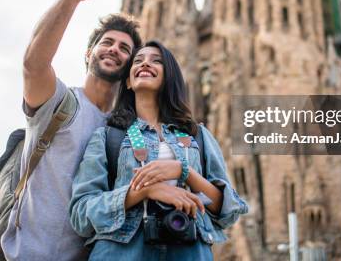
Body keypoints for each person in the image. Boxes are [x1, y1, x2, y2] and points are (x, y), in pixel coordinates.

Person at [1, 0, 142, 261]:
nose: (114, 49)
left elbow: (150, 168)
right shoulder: (61, 103)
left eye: (124, 48)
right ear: (90, 52)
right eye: (108, 42)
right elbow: (33, 63)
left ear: (131, 66)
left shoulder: (130, 132)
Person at [70, 40, 249, 260]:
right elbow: (81, 214)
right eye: (138, 61)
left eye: (156, 61)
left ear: (169, 77)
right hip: (122, 251)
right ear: (128, 81)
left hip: (189, 250)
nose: (145, 64)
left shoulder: (197, 135)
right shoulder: (109, 136)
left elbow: (229, 211)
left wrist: (184, 172)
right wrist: (144, 191)